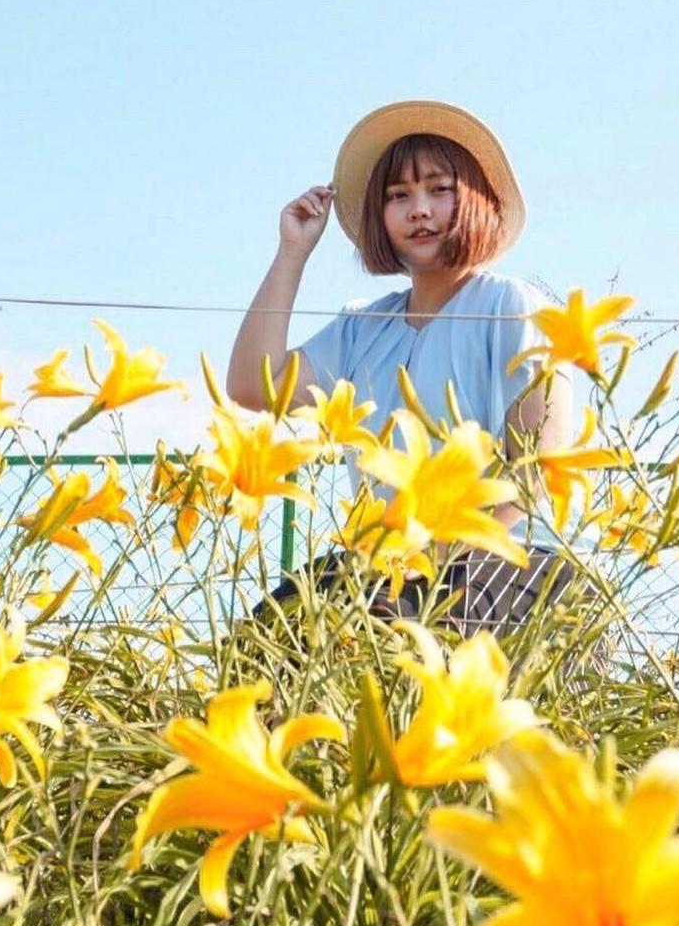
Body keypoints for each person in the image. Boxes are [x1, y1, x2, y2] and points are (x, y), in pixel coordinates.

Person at [227, 99, 574, 634]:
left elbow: (535, 475)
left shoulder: (513, 306)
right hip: (388, 569)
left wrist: (428, 557)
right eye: (398, 195)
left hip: (513, 559)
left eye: (439, 189)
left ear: (476, 198)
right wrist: (292, 253)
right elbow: (254, 386)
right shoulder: (361, 329)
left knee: (393, 628)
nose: (419, 210)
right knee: (273, 629)